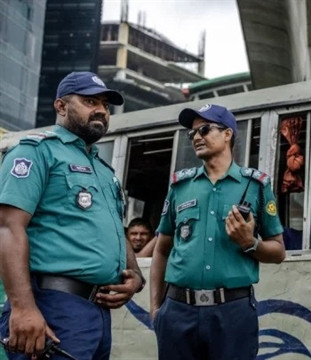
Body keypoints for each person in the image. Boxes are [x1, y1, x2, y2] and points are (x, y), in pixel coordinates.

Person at [0, 72, 145, 359]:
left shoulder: (104, 171)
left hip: (98, 312)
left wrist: (136, 277)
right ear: (61, 106)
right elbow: (7, 227)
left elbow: (116, 228)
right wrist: (23, 308)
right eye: (90, 101)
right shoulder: (36, 152)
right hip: (51, 305)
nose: (101, 110)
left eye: (105, 105)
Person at [149, 103, 286, 360]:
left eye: (204, 130)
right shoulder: (181, 185)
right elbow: (162, 248)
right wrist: (156, 308)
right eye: (193, 134)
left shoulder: (255, 185)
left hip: (233, 312)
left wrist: (250, 243)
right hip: (178, 312)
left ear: (227, 134)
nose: (196, 137)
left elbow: (278, 251)